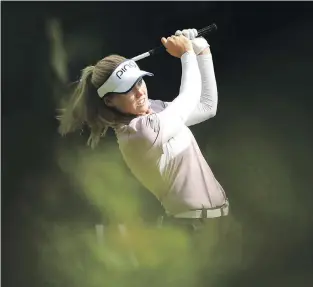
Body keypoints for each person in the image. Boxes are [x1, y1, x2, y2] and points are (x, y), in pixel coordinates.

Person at [58, 28, 235, 271]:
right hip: (193, 231)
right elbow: (188, 98)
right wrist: (186, 54)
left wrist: (201, 48)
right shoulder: (137, 133)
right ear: (109, 100)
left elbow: (206, 106)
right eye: (127, 89)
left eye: (139, 81)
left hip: (220, 224)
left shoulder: (155, 111)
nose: (140, 91)